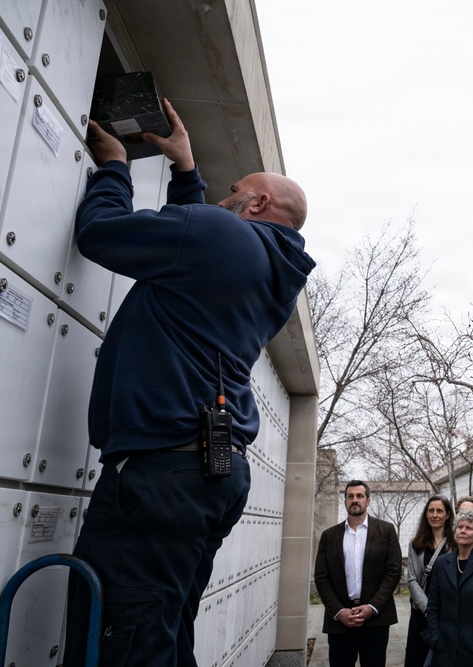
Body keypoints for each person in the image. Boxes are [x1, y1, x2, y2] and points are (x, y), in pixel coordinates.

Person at [63, 100, 315, 666]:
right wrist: (185, 172)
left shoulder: (218, 235)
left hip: (162, 474)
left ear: (257, 202)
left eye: (233, 189)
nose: (222, 196)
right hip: (210, 475)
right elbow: (192, 249)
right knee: (165, 627)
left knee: (124, 635)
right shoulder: (273, 271)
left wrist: (114, 167)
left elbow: (102, 233)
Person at [314, 480, 403, 667]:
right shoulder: (329, 536)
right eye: (350, 496)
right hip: (340, 621)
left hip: (376, 619)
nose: (355, 500)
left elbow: (393, 572)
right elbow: (321, 577)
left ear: (368, 501)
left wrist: (373, 607)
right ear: (345, 501)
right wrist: (339, 611)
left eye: (360, 496)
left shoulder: (386, 531)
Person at [423, 509, 473, 666]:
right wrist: (435, 637)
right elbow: (433, 605)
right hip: (445, 647)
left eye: (469, 528)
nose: (463, 531)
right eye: (460, 527)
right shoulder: (442, 563)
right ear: (454, 532)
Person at [405, 495, 455, 667]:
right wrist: (428, 609)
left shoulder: (456, 543)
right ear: (426, 514)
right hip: (421, 612)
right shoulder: (415, 544)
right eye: (431, 511)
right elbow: (411, 579)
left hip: (448, 612)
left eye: (439, 511)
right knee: (417, 659)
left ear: (447, 514)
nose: (435, 515)